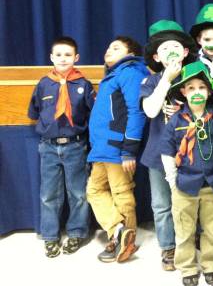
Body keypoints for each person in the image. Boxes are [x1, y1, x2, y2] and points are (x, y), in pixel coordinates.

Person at [160, 62, 213, 286]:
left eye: (201, 87)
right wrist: (172, 182)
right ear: (183, 92)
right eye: (191, 88)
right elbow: (167, 153)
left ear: (209, 91)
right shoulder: (176, 121)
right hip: (184, 185)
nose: (197, 92)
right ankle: (187, 267)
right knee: (184, 230)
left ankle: (211, 264)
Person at [28, 36, 95, 257]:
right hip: (48, 147)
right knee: (49, 194)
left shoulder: (83, 85)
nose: (63, 59)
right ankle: (50, 235)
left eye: (68, 55)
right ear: (51, 57)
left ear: (76, 58)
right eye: (58, 55)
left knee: (78, 192)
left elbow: (91, 114)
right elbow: (34, 111)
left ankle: (76, 232)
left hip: (75, 146)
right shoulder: (43, 84)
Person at [86, 36, 149, 262]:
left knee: (121, 193)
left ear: (130, 54)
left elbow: (136, 111)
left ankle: (124, 241)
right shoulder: (112, 75)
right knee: (94, 190)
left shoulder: (131, 72)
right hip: (102, 148)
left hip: (117, 147)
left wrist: (129, 149)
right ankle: (118, 230)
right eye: (108, 46)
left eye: (116, 47)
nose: (108, 50)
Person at [140, 20, 194, 271]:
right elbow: (150, 110)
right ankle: (168, 247)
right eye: (164, 48)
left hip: (191, 152)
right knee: (161, 205)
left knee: (190, 201)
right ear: (156, 57)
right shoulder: (151, 81)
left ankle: (190, 243)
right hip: (158, 153)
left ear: (185, 52)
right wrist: (167, 80)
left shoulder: (195, 77)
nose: (171, 51)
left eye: (176, 46)